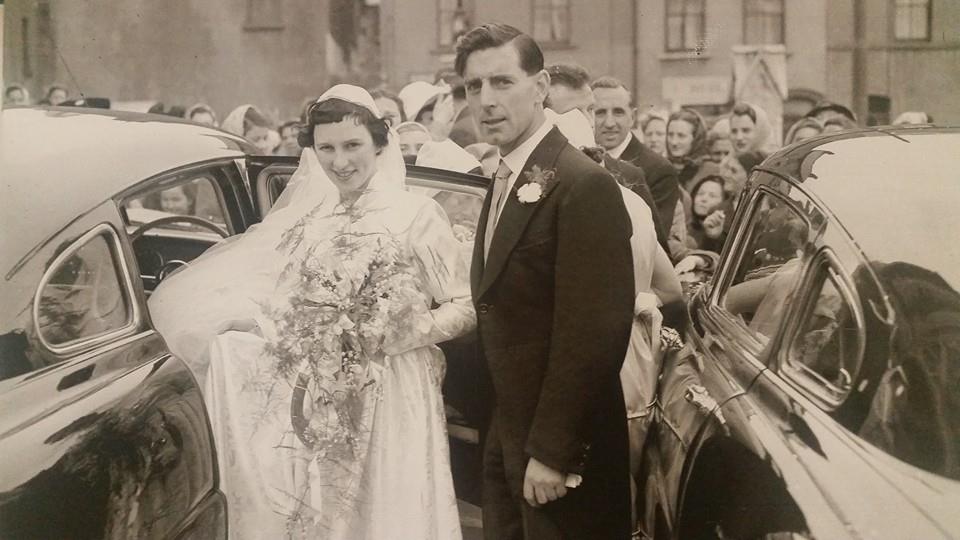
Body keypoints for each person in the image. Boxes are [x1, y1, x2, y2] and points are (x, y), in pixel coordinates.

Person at [148, 85, 475, 539]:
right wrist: (257, 327)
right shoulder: (311, 224)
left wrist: (408, 330)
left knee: (390, 504)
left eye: (352, 145)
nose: (340, 161)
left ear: (380, 144)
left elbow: (466, 306)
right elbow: (295, 307)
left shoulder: (416, 214)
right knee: (332, 509)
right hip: (325, 389)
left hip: (396, 382)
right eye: (327, 148)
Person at [456, 23, 635, 539]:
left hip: (558, 453)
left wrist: (553, 452)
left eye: (502, 82)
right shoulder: (507, 177)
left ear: (540, 89)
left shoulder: (583, 184)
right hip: (506, 433)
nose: (486, 100)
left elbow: (595, 332)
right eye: (474, 87)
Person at [544, 64, 667, 250]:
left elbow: (657, 253)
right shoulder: (531, 177)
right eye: (575, 113)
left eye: (591, 109)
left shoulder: (629, 176)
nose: (589, 121)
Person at [592, 76, 681, 253]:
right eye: (600, 112)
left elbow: (653, 241)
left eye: (618, 112)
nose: (609, 123)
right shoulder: (579, 158)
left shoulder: (658, 169)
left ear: (632, 117)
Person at [666, 108, 709, 191]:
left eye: (681, 136)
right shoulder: (661, 167)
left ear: (696, 138)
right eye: (670, 135)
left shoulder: (708, 169)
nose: (674, 142)